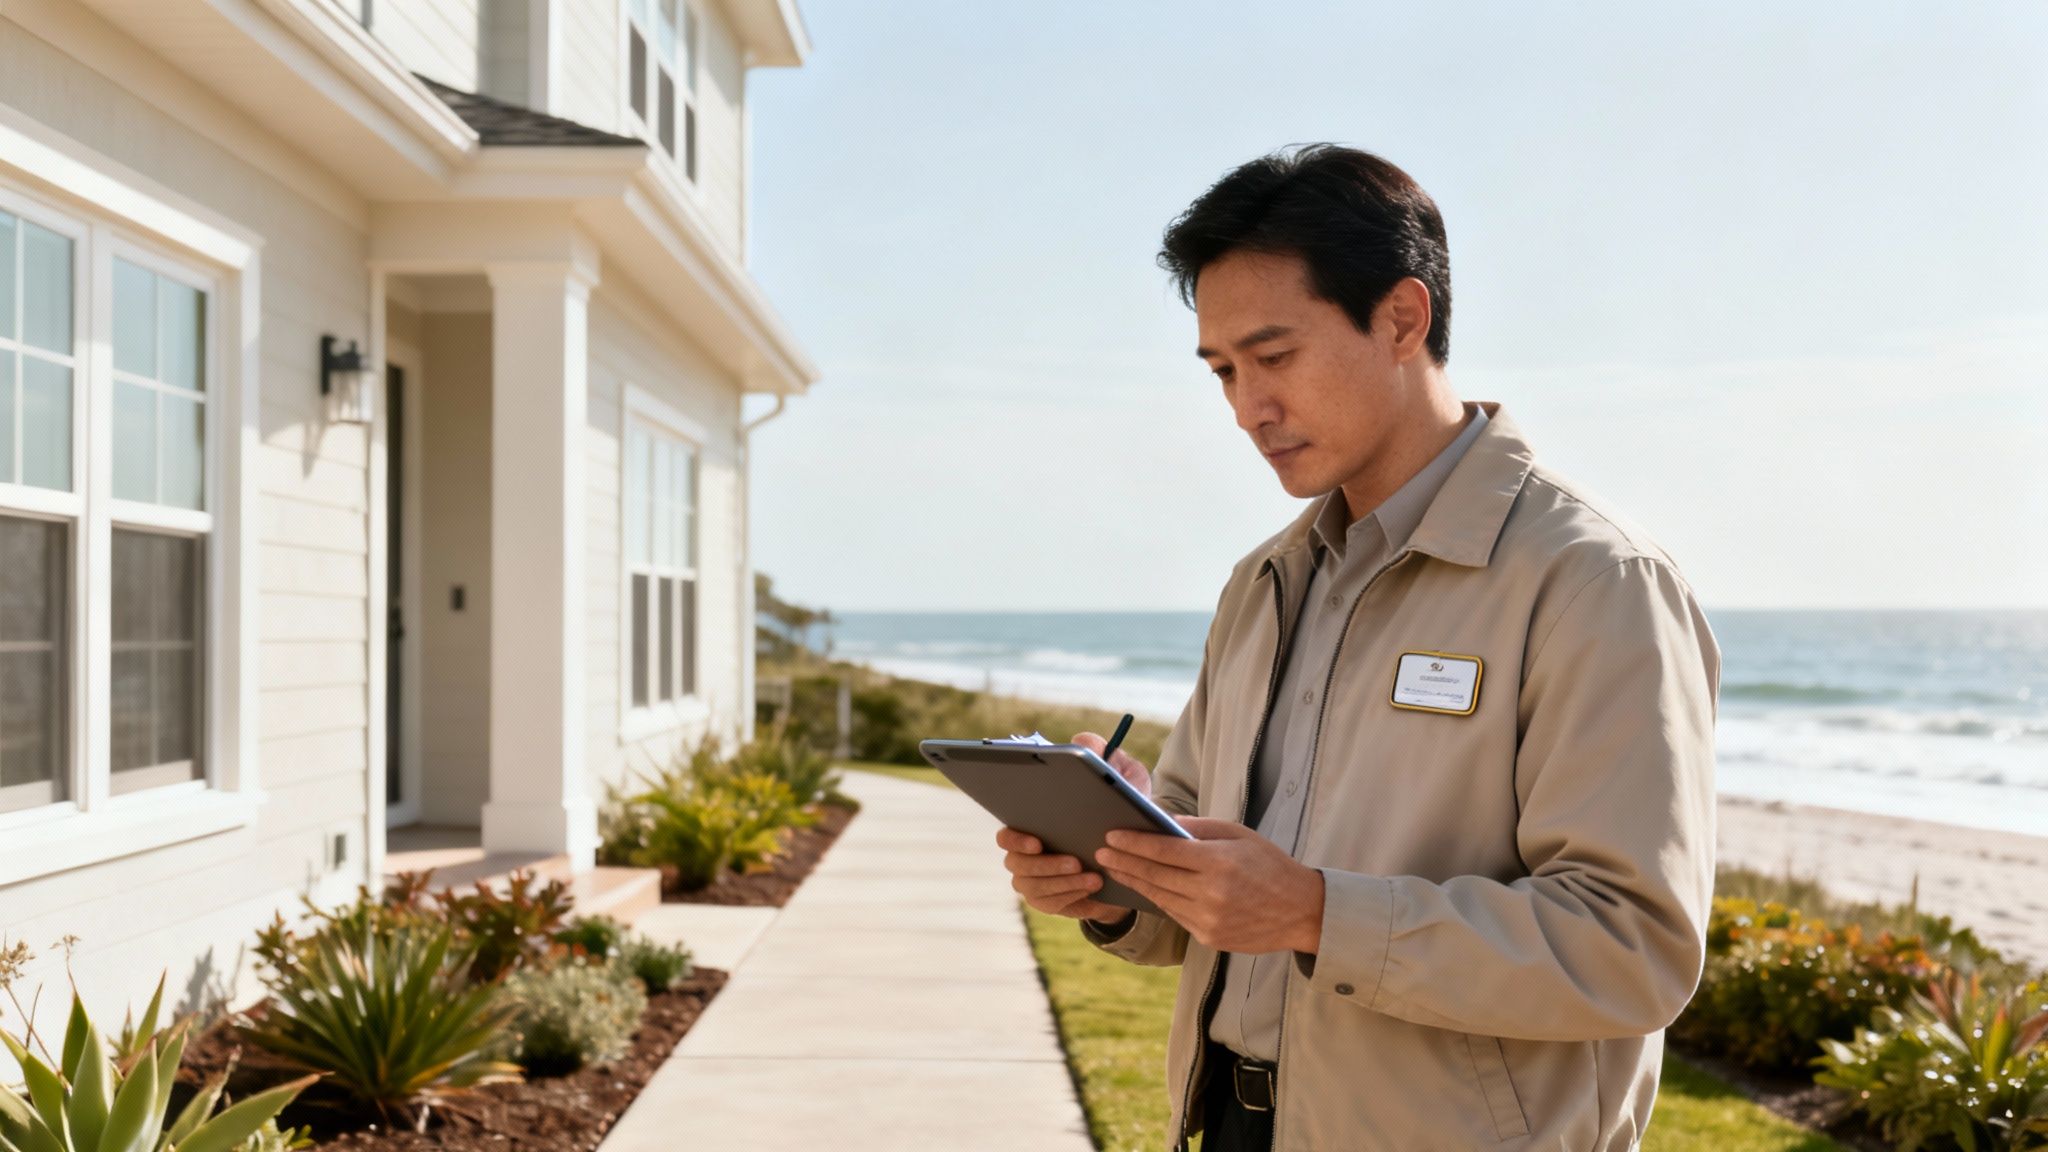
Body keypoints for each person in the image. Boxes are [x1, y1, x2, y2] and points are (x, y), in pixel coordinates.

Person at [996, 145, 1720, 1151]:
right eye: (1222, 371)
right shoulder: (1261, 584)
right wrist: (1115, 875)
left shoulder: (1593, 581)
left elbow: (1628, 950)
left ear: (1400, 319)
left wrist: (1315, 914)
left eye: (1273, 355)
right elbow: (1205, 898)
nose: (1246, 406)